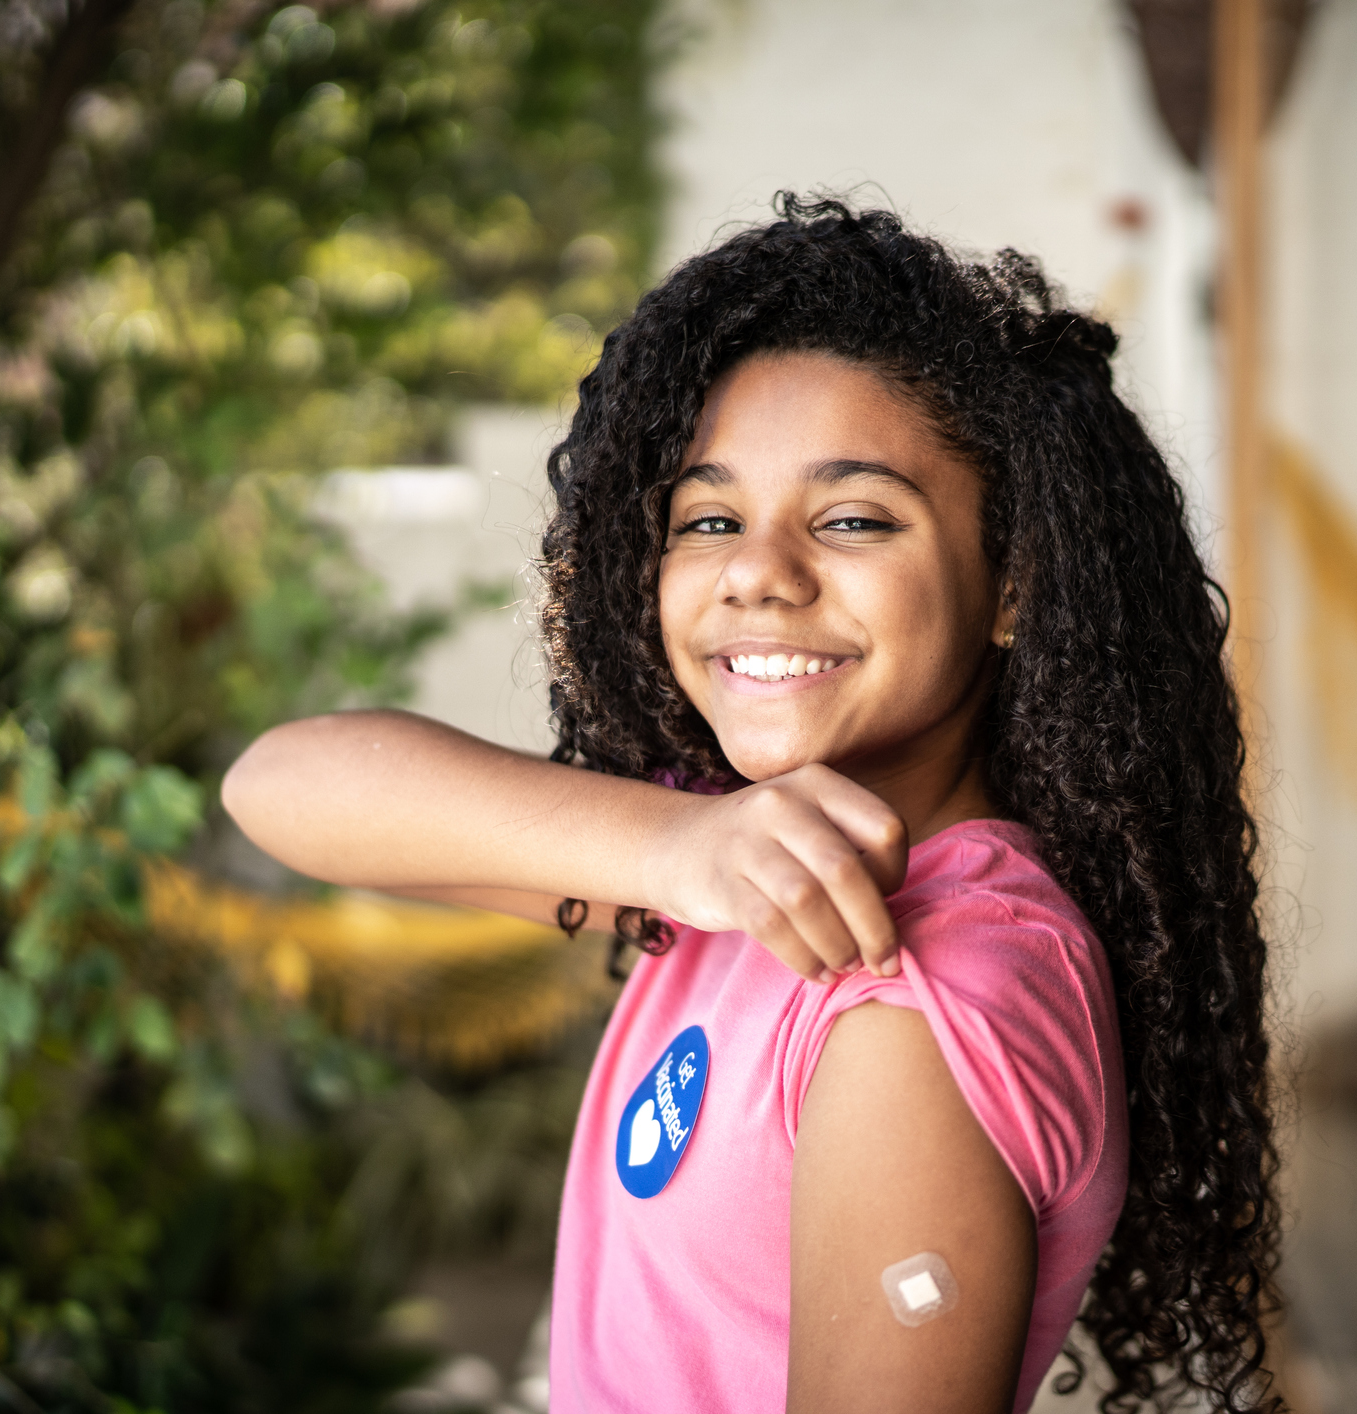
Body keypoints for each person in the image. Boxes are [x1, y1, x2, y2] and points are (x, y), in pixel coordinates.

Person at [222, 196, 1280, 1414]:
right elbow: (283, 784)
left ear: (1012, 584)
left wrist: (688, 852)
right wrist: (676, 846)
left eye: (853, 519)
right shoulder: (725, 860)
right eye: (710, 518)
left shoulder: (915, 1008)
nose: (757, 573)